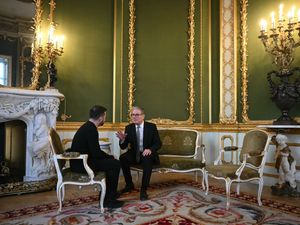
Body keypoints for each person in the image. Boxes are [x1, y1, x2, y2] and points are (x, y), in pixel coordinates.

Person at [70, 105, 124, 208]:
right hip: (83, 165)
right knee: (115, 164)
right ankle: (109, 200)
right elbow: (96, 153)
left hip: (81, 162)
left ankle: (108, 194)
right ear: (101, 118)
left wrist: (108, 157)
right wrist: (110, 157)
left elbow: (94, 152)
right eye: (105, 117)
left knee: (111, 163)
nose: (104, 119)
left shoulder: (88, 126)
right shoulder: (91, 129)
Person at [116, 106, 162, 200]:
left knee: (147, 158)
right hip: (134, 153)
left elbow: (158, 143)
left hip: (147, 153)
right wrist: (122, 140)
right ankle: (129, 184)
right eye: (132, 115)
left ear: (143, 116)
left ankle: (144, 189)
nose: (134, 117)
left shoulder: (151, 127)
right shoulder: (129, 128)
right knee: (123, 158)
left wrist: (150, 149)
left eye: (137, 114)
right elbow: (123, 146)